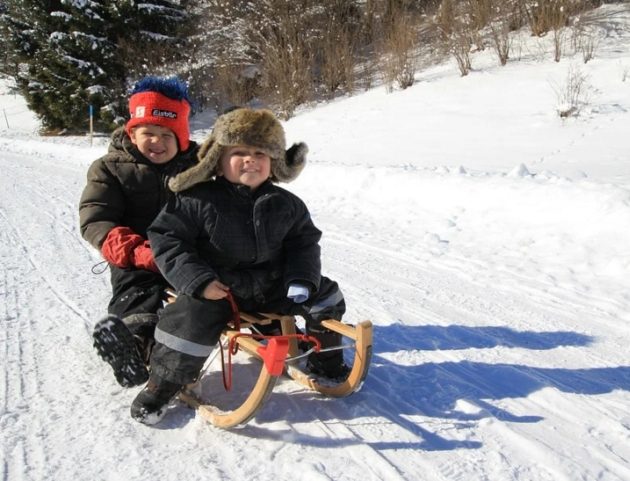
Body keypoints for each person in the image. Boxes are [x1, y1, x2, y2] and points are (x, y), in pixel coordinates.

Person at [131, 107, 349, 424]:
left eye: (260, 153)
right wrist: (198, 280)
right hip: (219, 289)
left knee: (328, 295)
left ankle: (324, 360)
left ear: (273, 162)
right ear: (218, 160)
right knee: (188, 318)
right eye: (240, 152)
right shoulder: (197, 198)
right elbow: (167, 238)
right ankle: (163, 383)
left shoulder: (286, 204)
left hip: (273, 285)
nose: (251, 160)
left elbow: (304, 242)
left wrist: (302, 279)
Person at [79, 76, 198, 388]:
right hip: (137, 254)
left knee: (233, 280)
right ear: (133, 133)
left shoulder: (197, 168)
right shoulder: (110, 169)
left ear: (182, 138)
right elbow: (97, 219)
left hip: (188, 253)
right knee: (137, 290)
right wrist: (135, 251)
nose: (156, 141)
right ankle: (133, 344)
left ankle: (279, 331)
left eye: (166, 135)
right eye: (148, 133)